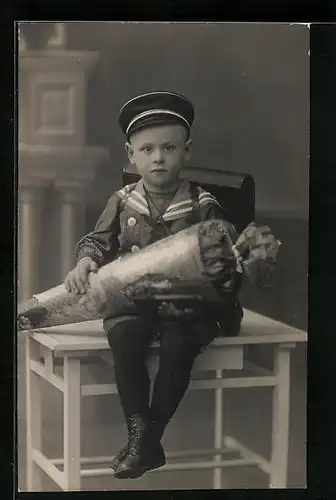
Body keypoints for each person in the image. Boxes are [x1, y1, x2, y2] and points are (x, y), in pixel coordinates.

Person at [64, 91, 243, 479]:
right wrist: (85, 260)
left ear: (187, 151)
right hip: (136, 299)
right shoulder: (124, 200)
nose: (158, 157)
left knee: (179, 344)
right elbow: (98, 239)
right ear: (131, 155)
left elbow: (222, 245)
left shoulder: (200, 201)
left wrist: (219, 243)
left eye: (169, 147)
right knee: (125, 339)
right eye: (147, 149)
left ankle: (145, 443)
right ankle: (140, 434)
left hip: (188, 303)